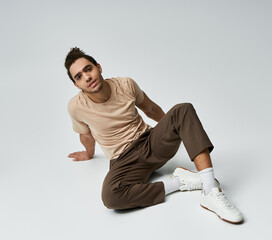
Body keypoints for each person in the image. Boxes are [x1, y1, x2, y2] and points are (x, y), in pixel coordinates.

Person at [65, 47, 243, 224]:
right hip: (123, 160)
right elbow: (86, 135)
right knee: (111, 197)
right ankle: (178, 182)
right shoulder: (76, 107)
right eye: (79, 76)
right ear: (76, 84)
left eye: (88, 69)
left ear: (98, 67)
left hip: (149, 143)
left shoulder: (125, 84)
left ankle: (210, 191)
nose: (87, 77)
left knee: (183, 110)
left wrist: (175, 128)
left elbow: (151, 109)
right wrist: (88, 154)